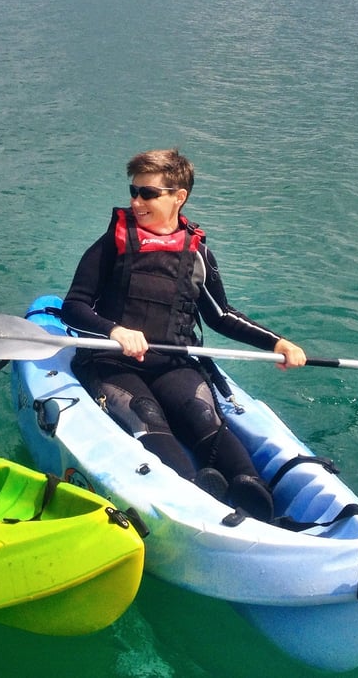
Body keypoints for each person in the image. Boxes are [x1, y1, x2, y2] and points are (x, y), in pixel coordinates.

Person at [61, 148, 306, 522]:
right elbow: (74, 306)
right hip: (112, 361)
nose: (136, 201)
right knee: (146, 416)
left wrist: (277, 342)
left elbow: (221, 316)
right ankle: (192, 492)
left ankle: (253, 494)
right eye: (134, 191)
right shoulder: (111, 244)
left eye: (148, 193)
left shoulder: (197, 255)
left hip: (173, 363)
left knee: (202, 414)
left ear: (179, 196)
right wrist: (115, 331)